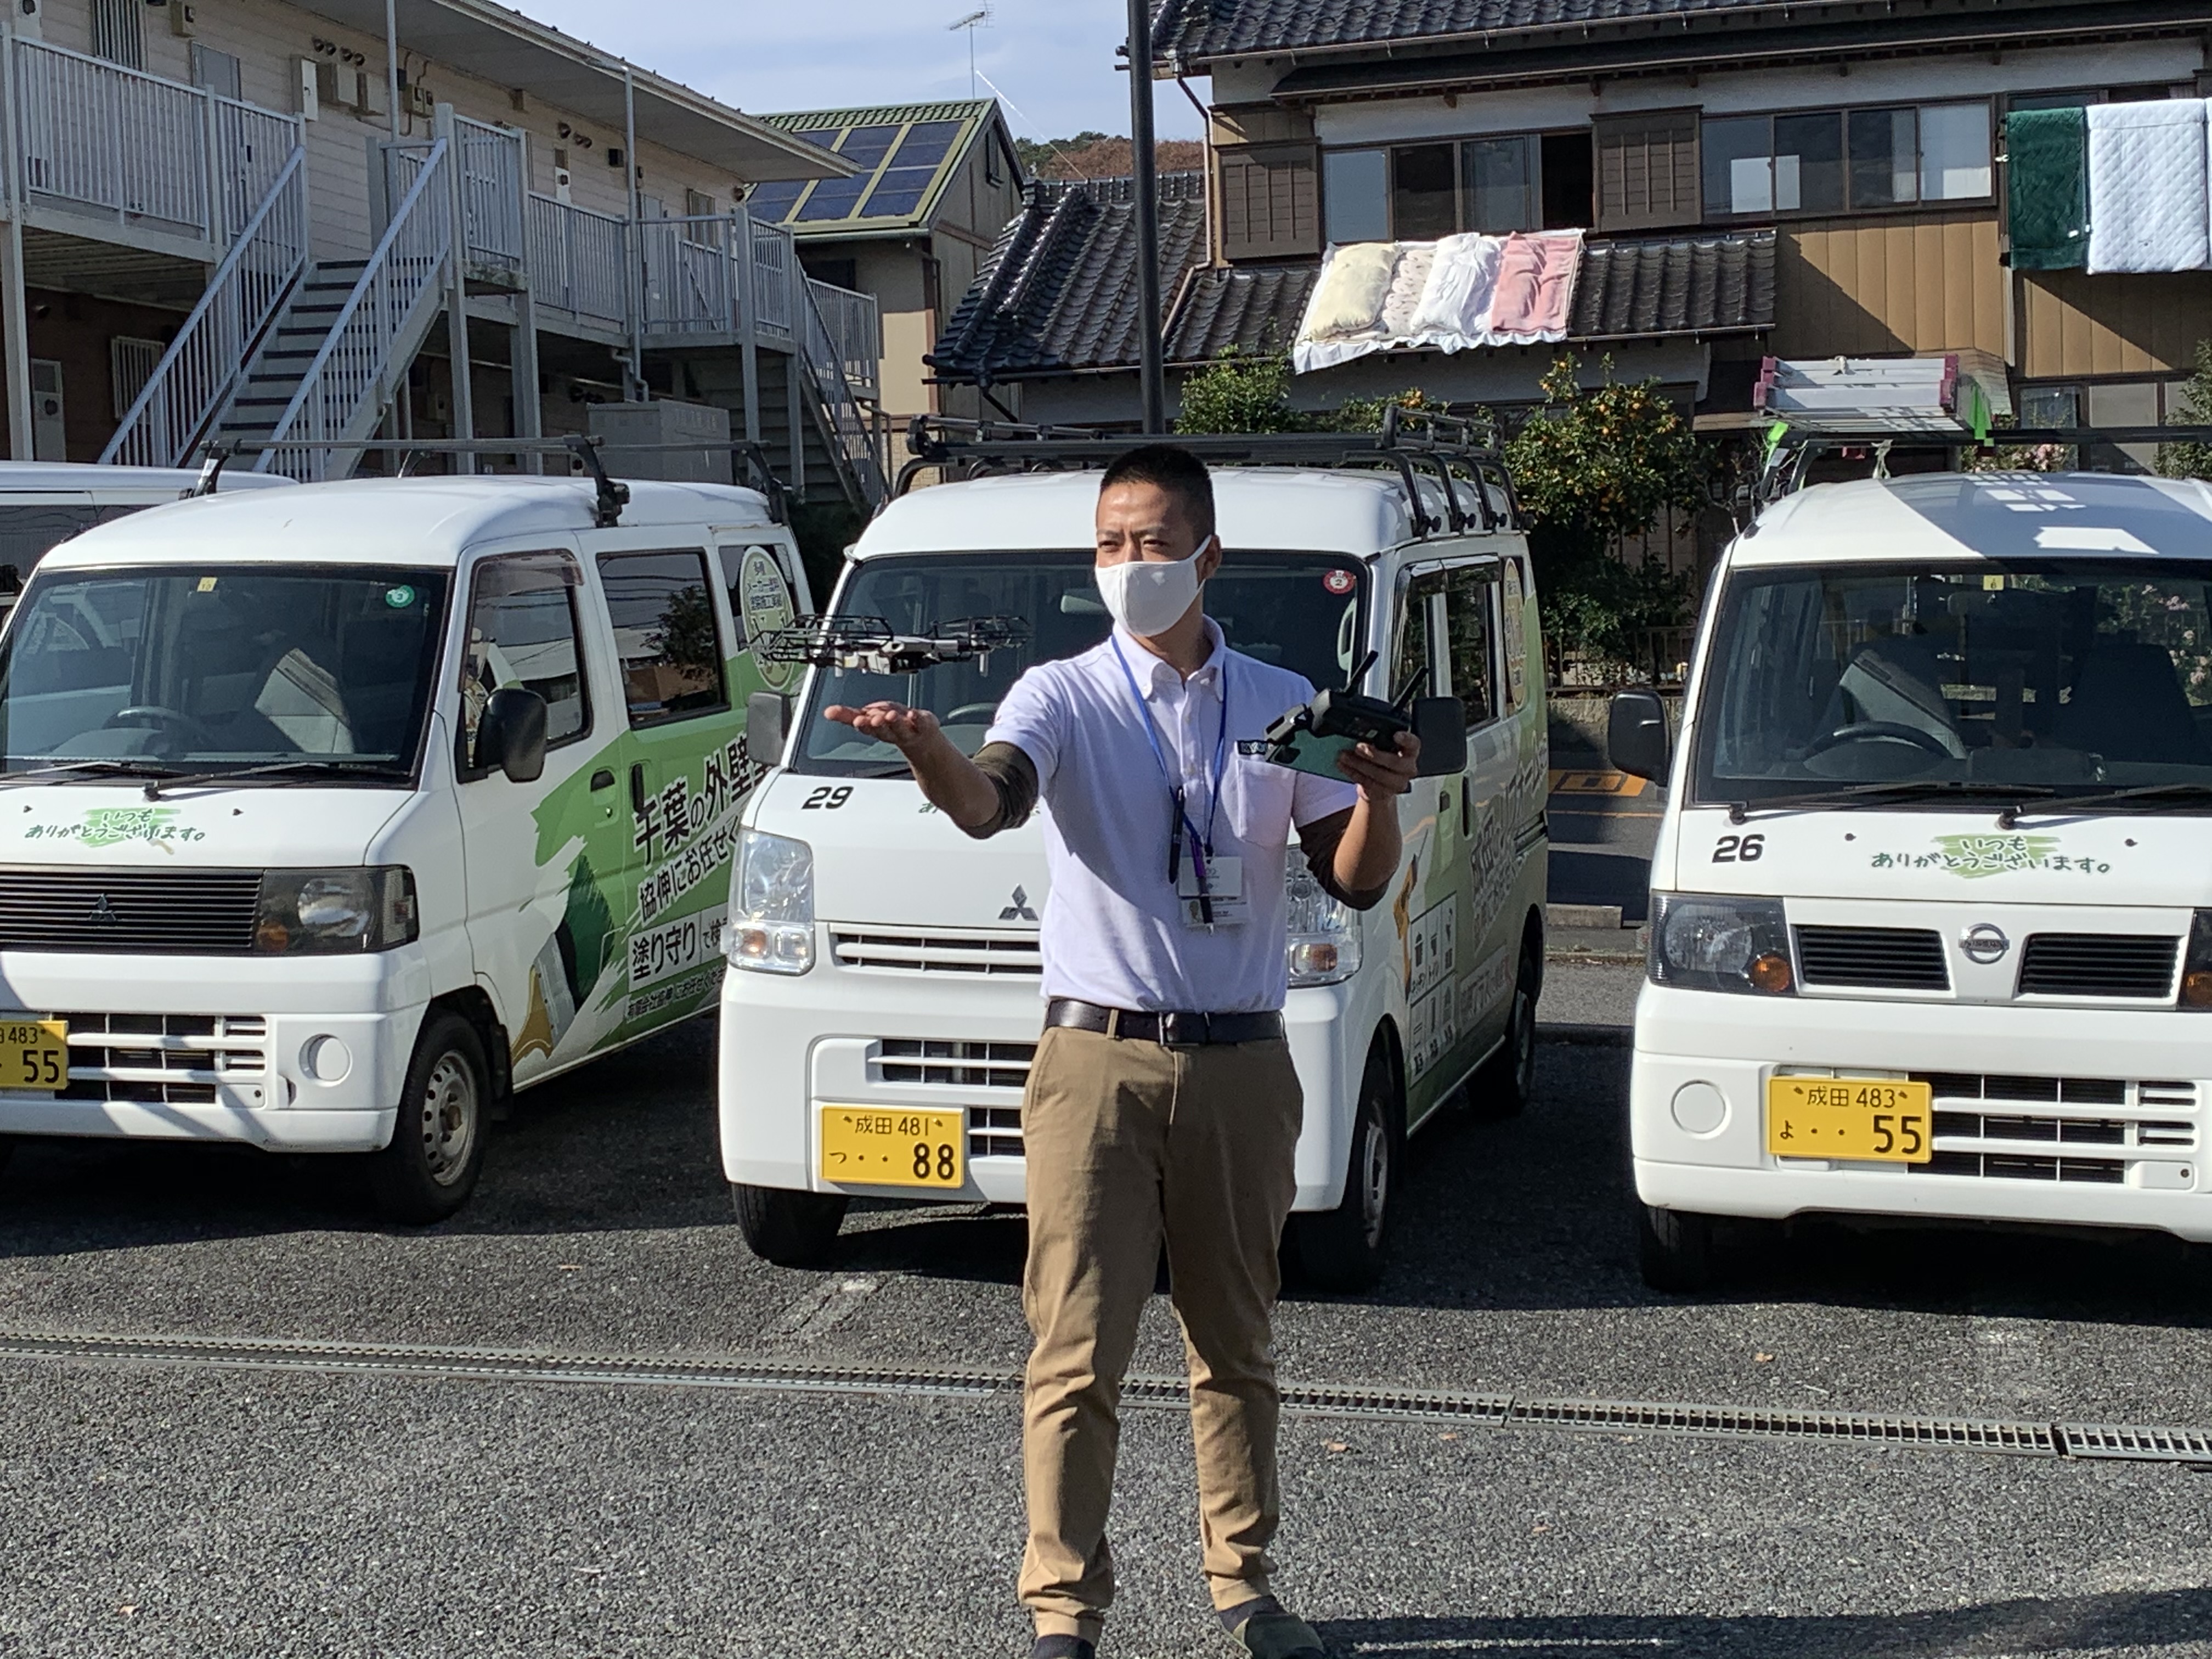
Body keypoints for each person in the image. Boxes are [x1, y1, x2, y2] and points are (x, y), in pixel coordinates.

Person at [826, 444, 1417, 1659]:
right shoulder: (1061, 694)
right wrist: (929, 751)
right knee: (1075, 1349)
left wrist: (1380, 794)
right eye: (1109, 543)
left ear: (1208, 556)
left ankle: (1245, 1588)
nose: (1128, 563)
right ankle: (1063, 1608)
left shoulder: (1281, 703)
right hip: (1094, 1060)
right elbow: (993, 798)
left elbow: (1354, 882)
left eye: (1152, 542)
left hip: (1241, 1061)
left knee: (1236, 1344)